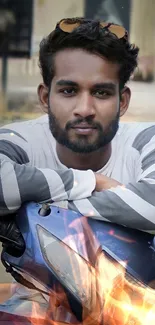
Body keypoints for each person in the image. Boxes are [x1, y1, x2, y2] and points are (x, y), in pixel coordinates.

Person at [0, 17, 155, 319]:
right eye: (69, 91)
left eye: (101, 92)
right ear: (45, 97)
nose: (85, 109)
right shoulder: (21, 139)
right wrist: (89, 182)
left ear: (122, 101)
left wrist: (33, 209)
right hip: (40, 300)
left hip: (137, 305)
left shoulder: (145, 140)